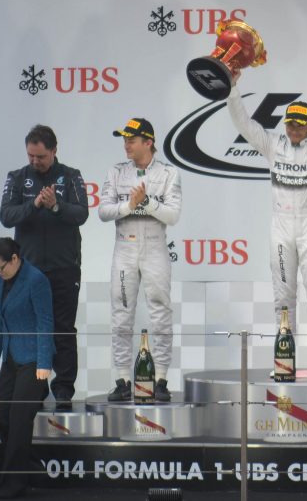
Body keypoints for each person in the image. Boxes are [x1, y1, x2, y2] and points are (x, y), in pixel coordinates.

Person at [227, 59, 307, 380]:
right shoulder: (273, 145)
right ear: (285, 125)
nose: (294, 129)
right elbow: (244, 124)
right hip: (280, 226)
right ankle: (286, 358)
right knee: (283, 295)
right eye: (290, 124)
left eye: (300, 124)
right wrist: (231, 88)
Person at [0, 125, 88, 410]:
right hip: (28, 271)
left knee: (62, 329)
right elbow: (6, 216)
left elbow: (82, 213)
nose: (35, 161)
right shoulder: (16, 177)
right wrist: (35, 204)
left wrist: (56, 206)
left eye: (41, 156)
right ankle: (34, 390)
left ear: (54, 151)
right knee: (32, 329)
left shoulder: (71, 176)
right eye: (31, 156)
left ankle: (63, 390)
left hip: (64, 267)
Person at [99, 118, 182, 402]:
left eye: (131, 140)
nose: (126, 145)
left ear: (148, 142)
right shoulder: (115, 171)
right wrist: (129, 205)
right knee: (121, 315)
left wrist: (147, 203)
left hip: (156, 248)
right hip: (124, 249)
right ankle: (122, 379)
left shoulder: (170, 173)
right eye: (124, 139)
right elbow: (104, 211)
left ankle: (160, 379)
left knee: (161, 312)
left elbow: (173, 215)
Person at [0, 237, 54, 499]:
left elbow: (46, 323)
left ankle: (13, 485)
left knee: (19, 420)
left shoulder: (36, 280)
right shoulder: (0, 280)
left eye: (0, 267)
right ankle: (33, 471)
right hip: (12, 357)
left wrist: (45, 363)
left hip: (34, 360)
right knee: (0, 414)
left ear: (14, 259)